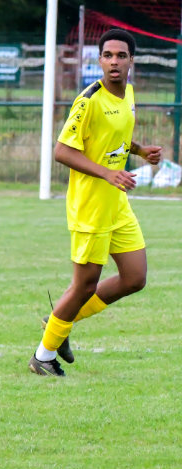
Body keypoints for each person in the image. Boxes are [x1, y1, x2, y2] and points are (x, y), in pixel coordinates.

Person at [30, 29, 162, 377]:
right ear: (100, 60)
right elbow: (62, 151)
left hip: (116, 204)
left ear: (132, 61)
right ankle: (42, 356)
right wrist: (107, 173)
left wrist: (139, 150)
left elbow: (114, 135)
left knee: (134, 277)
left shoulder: (128, 93)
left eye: (121, 55)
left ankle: (60, 320)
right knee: (84, 285)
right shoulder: (88, 100)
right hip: (91, 206)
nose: (114, 62)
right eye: (108, 55)